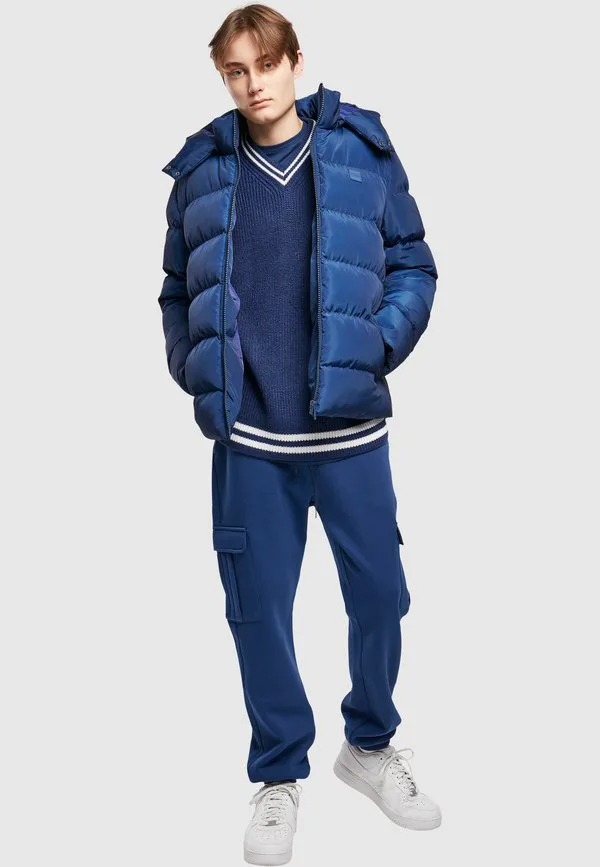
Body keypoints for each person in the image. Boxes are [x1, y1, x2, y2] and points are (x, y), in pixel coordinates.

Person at [158, 4, 441, 863]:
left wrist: (376, 344)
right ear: (224, 77)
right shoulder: (202, 172)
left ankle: (370, 744)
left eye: (266, 65)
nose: (253, 84)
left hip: (350, 434)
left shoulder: (358, 150)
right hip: (251, 441)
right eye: (236, 72)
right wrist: (198, 368)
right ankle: (279, 772)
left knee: (381, 595)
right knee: (258, 614)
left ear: (294, 61)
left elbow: (414, 262)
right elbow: (176, 290)